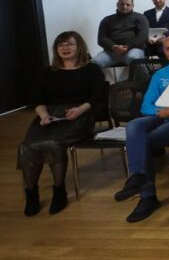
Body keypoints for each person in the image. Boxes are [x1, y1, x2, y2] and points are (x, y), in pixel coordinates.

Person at [115, 35, 169, 222]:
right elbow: (145, 106)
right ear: (164, 51)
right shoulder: (160, 74)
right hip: (160, 117)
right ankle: (139, 176)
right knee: (134, 125)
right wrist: (161, 112)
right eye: (168, 48)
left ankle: (147, 197)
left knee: (144, 141)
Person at [19, 31, 105, 216]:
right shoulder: (48, 72)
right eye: (61, 45)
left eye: (70, 44)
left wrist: (80, 109)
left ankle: (59, 190)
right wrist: (43, 115)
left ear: (79, 46)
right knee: (28, 146)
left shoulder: (92, 69)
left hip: (80, 114)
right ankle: (31, 192)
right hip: (49, 115)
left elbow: (97, 97)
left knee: (54, 143)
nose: (65, 48)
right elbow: (38, 99)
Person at [94, 0, 149, 68]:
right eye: (122, 4)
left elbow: (143, 36)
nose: (124, 6)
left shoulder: (140, 18)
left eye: (128, 5)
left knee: (134, 59)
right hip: (111, 52)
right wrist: (113, 46)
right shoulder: (107, 20)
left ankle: (142, 79)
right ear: (117, 5)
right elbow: (101, 38)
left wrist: (128, 46)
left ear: (133, 6)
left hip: (133, 50)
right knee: (94, 63)